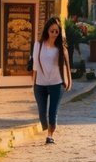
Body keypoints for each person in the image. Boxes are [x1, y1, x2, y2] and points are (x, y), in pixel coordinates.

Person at [29, 16, 72, 144]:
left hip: (56, 83)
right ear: (47, 30)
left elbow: (66, 65)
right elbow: (35, 64)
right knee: (42, 113)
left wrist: (68, 81)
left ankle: (50, 135)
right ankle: (47, 127)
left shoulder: (61, 48)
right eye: (52, 31)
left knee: (52, 111)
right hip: (40, 84)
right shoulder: (38, 45)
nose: (54, 34)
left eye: (56, 32)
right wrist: (34, 82)